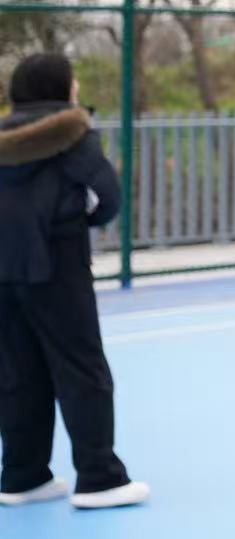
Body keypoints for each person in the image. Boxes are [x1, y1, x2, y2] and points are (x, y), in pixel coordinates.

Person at [0, 53, 149, 510]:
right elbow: (108, 196)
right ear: (61, 87)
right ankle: (99, 478)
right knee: (82, 368)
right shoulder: (72, 134)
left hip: (4, 268)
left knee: (17, 372)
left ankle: (23, 476)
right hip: (57, 265)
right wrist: (78, 220)